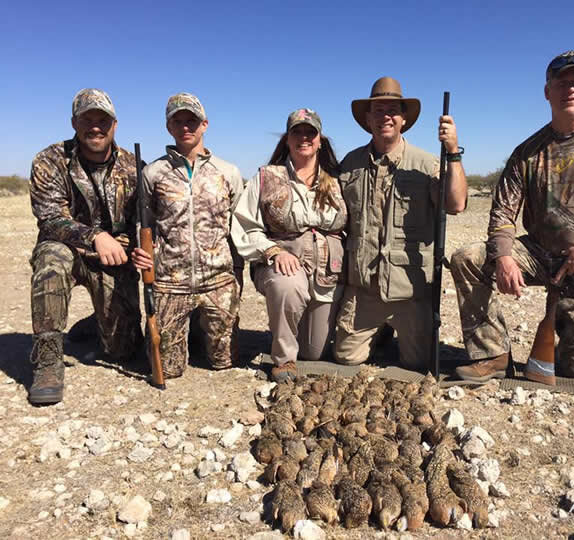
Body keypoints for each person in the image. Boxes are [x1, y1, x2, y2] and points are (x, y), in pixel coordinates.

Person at [449, 50, 574, 383]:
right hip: (539, 254)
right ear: (547, 92)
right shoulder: (527, 152)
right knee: (466, 258)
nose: (570, 89)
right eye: (561, 83)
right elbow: (503, 211)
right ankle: (492, 355)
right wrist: (503, 257)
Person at [334, 77, 467, 371]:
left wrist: (453, 150)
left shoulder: (427, 162)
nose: (386, 117)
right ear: (368, 119)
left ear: (404, 119)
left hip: (410, 290)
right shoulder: (349, 164)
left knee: (416, 363)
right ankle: (379, 330)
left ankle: (398, 326)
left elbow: (456, 203)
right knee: (346, 358)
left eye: (392, 110)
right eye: (378, 110)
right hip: (364, 290)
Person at [28, 88, 143, 404]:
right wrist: (95, 236)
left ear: (115, 125)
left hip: (114, 260)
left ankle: (97, 323)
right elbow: (49, 218)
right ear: (74, 122)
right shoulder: (50, 160)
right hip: (71, 251)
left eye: (102, 119)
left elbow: (143, 222)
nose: (95, 126)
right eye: (86, 119)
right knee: (52, 257)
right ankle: (48, 359)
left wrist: (139, 247)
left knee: (124, 352)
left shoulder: (135, 167)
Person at [131, 93, 243, 379]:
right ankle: (182, 331)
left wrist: (236, 277)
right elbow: (145, 224)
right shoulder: (153, 173)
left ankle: (200, 329)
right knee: (168, 370)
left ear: (204, 124)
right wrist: (142, 252)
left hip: (218, 280)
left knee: (223, 362)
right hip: (171, 282)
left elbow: (239, 229)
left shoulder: (228, 172)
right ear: (169, 127)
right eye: (177, 121)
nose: (185, 127)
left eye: (191, 120)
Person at [232, 108, 347, 383]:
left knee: (314, 352)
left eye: (311, 132)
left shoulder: (338, 179)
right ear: (287, 138)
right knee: (287, 284)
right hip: (283, 264)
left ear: (320, 139)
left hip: (326, 273)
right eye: (297, 132)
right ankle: (283, 359)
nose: (304, 137)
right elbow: (245, 224)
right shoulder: (266, 176)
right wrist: (272, 251)